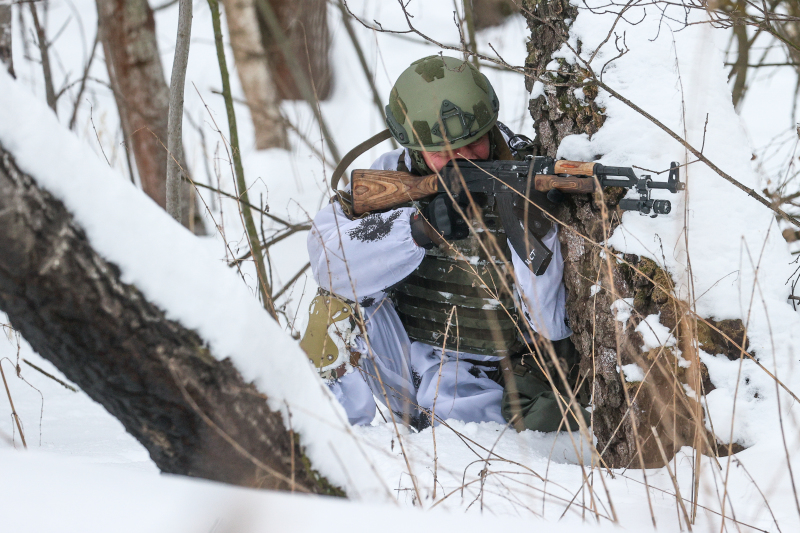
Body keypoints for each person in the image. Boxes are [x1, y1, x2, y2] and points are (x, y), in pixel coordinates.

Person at [306, 55, 588, 432]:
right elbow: (328, 263)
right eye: (443, 152)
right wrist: (417, 230)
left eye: (475, 142)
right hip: (407, 363)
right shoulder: (391, 176)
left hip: (497, 375)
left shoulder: (527, 173)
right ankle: (333, 439)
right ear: (415, 149)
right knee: (333, 309)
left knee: (527, 429)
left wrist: (533, 225)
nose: (464, 159)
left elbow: (551, 326)